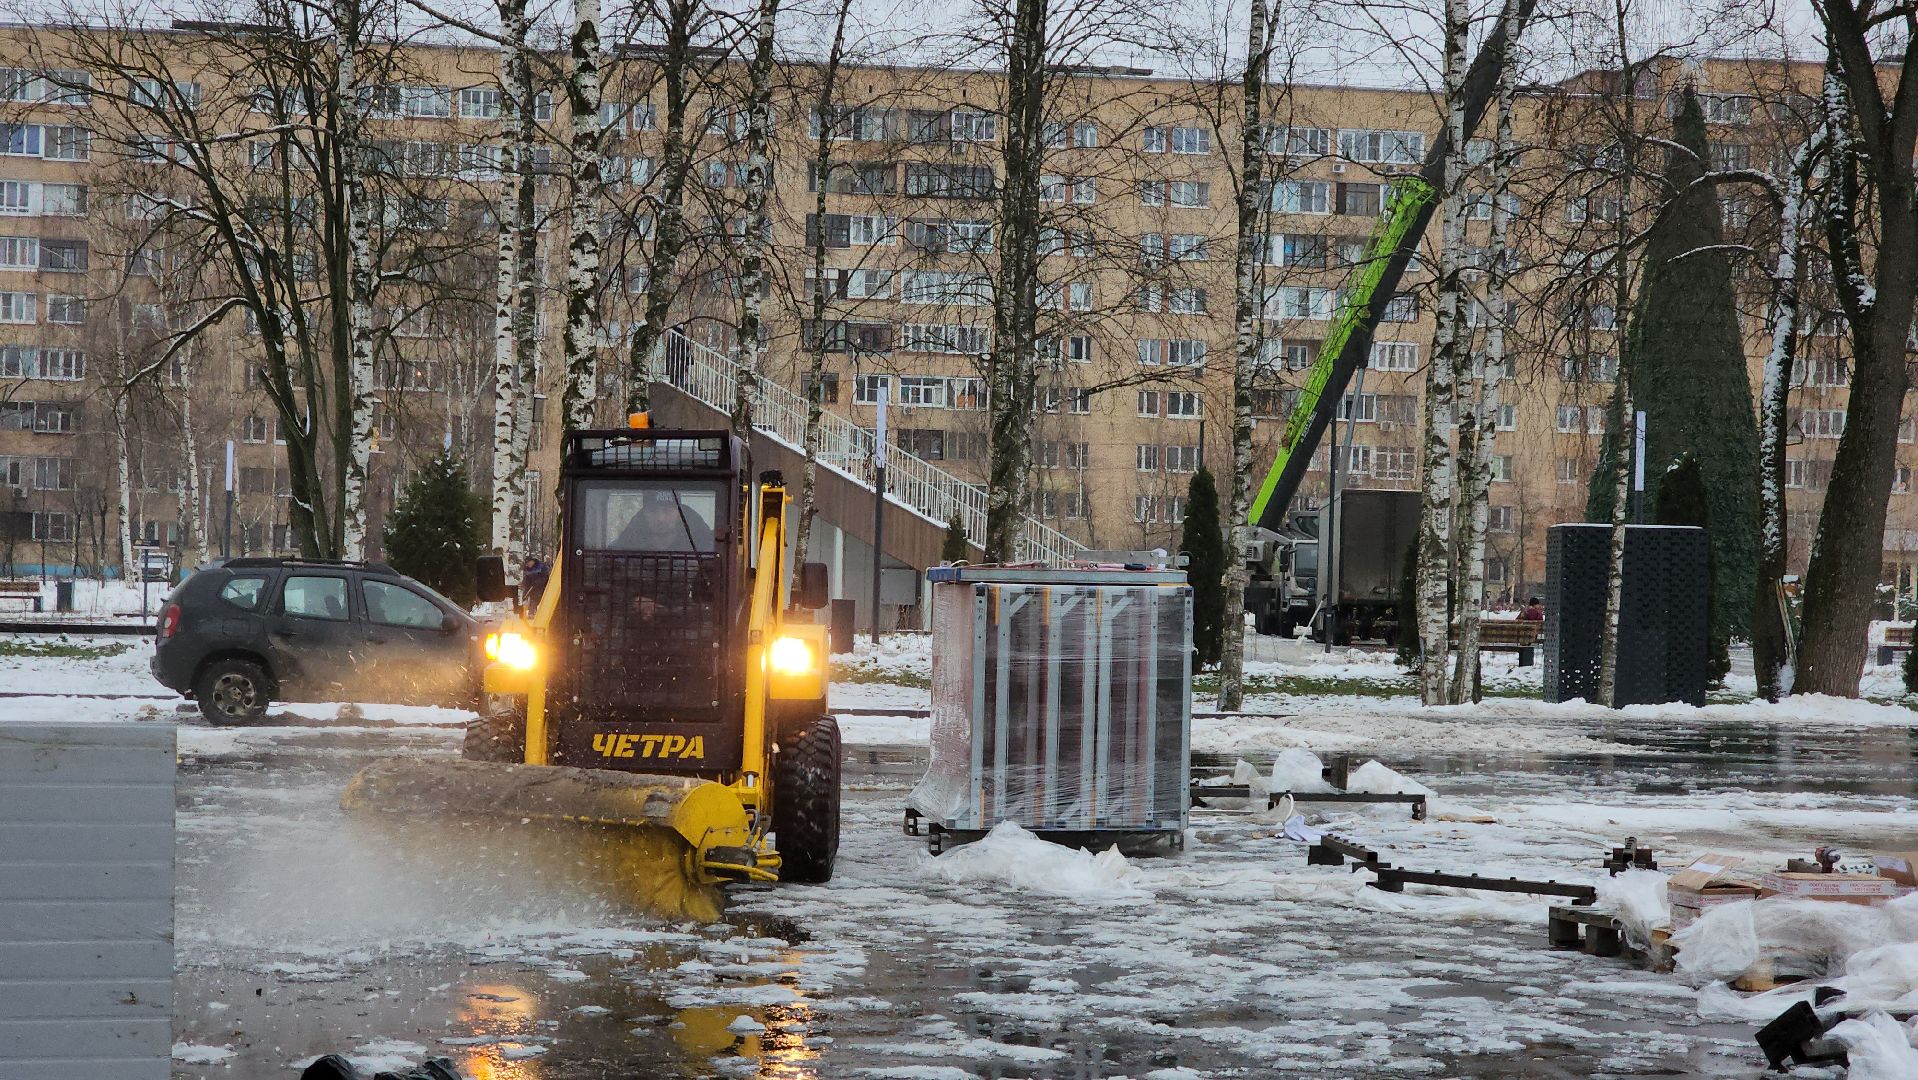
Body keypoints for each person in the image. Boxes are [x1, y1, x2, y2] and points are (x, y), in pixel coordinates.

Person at [613, 490, 714, 552]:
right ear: (644, 513)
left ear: (679, 513)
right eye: (652, 510)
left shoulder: (703, 543)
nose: (660, 518)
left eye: (667, 510)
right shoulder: (627, 542)